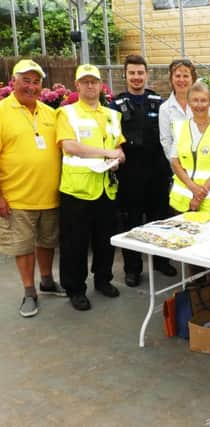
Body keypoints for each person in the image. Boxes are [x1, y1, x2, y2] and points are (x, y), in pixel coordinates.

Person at [56, 64, 126, 311]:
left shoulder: (112, 115)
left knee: (105, 240)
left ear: (100, 85)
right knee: (75, 243)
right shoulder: (67, 114)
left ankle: (103, 279)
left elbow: (119, 149)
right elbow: (70, 147)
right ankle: (75, 289)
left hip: (106, 188)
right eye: (84, 81)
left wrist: (117, 159)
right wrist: (107, 152)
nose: (89, 85)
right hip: (78, 190)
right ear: (77, 85)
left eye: (93, 81)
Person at [0, 59, 65, 318]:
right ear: (13, 81)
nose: (31, 86)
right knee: (23, 246)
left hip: (50, 195)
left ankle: (47, 281)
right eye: (25, 80)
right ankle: (29, 292)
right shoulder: (2, 111)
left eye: (36, 81)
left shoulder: (50, 113)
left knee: (47, 241)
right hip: (17, 197)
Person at [110, 54, 176, 288]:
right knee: (132, 222)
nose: (136, 77)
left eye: (140, 73)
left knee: (160, 219)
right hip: (130, 173)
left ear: (146, 75)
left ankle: (160, 260)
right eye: (132, 73)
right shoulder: (115, 105)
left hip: (157, 170)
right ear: (125, 75)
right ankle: (133, 268)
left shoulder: (158, 102)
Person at [169, 81, 210, 215]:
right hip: (182, 201)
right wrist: (192, 187)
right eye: (195, 100)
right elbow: (175, 162)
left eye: (203, 100)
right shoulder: (180, 128)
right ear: (189, 103)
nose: (199, 105)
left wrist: (198, 196)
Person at [159, 59, 210, 164]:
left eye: (186, 76)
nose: (181, 80)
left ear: (193, 79)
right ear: (171, 79)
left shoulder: (207, 104)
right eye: (177, 76)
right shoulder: (165, 108)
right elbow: (166, 142)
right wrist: (179, 166)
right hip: (180, 168)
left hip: (206, 162)